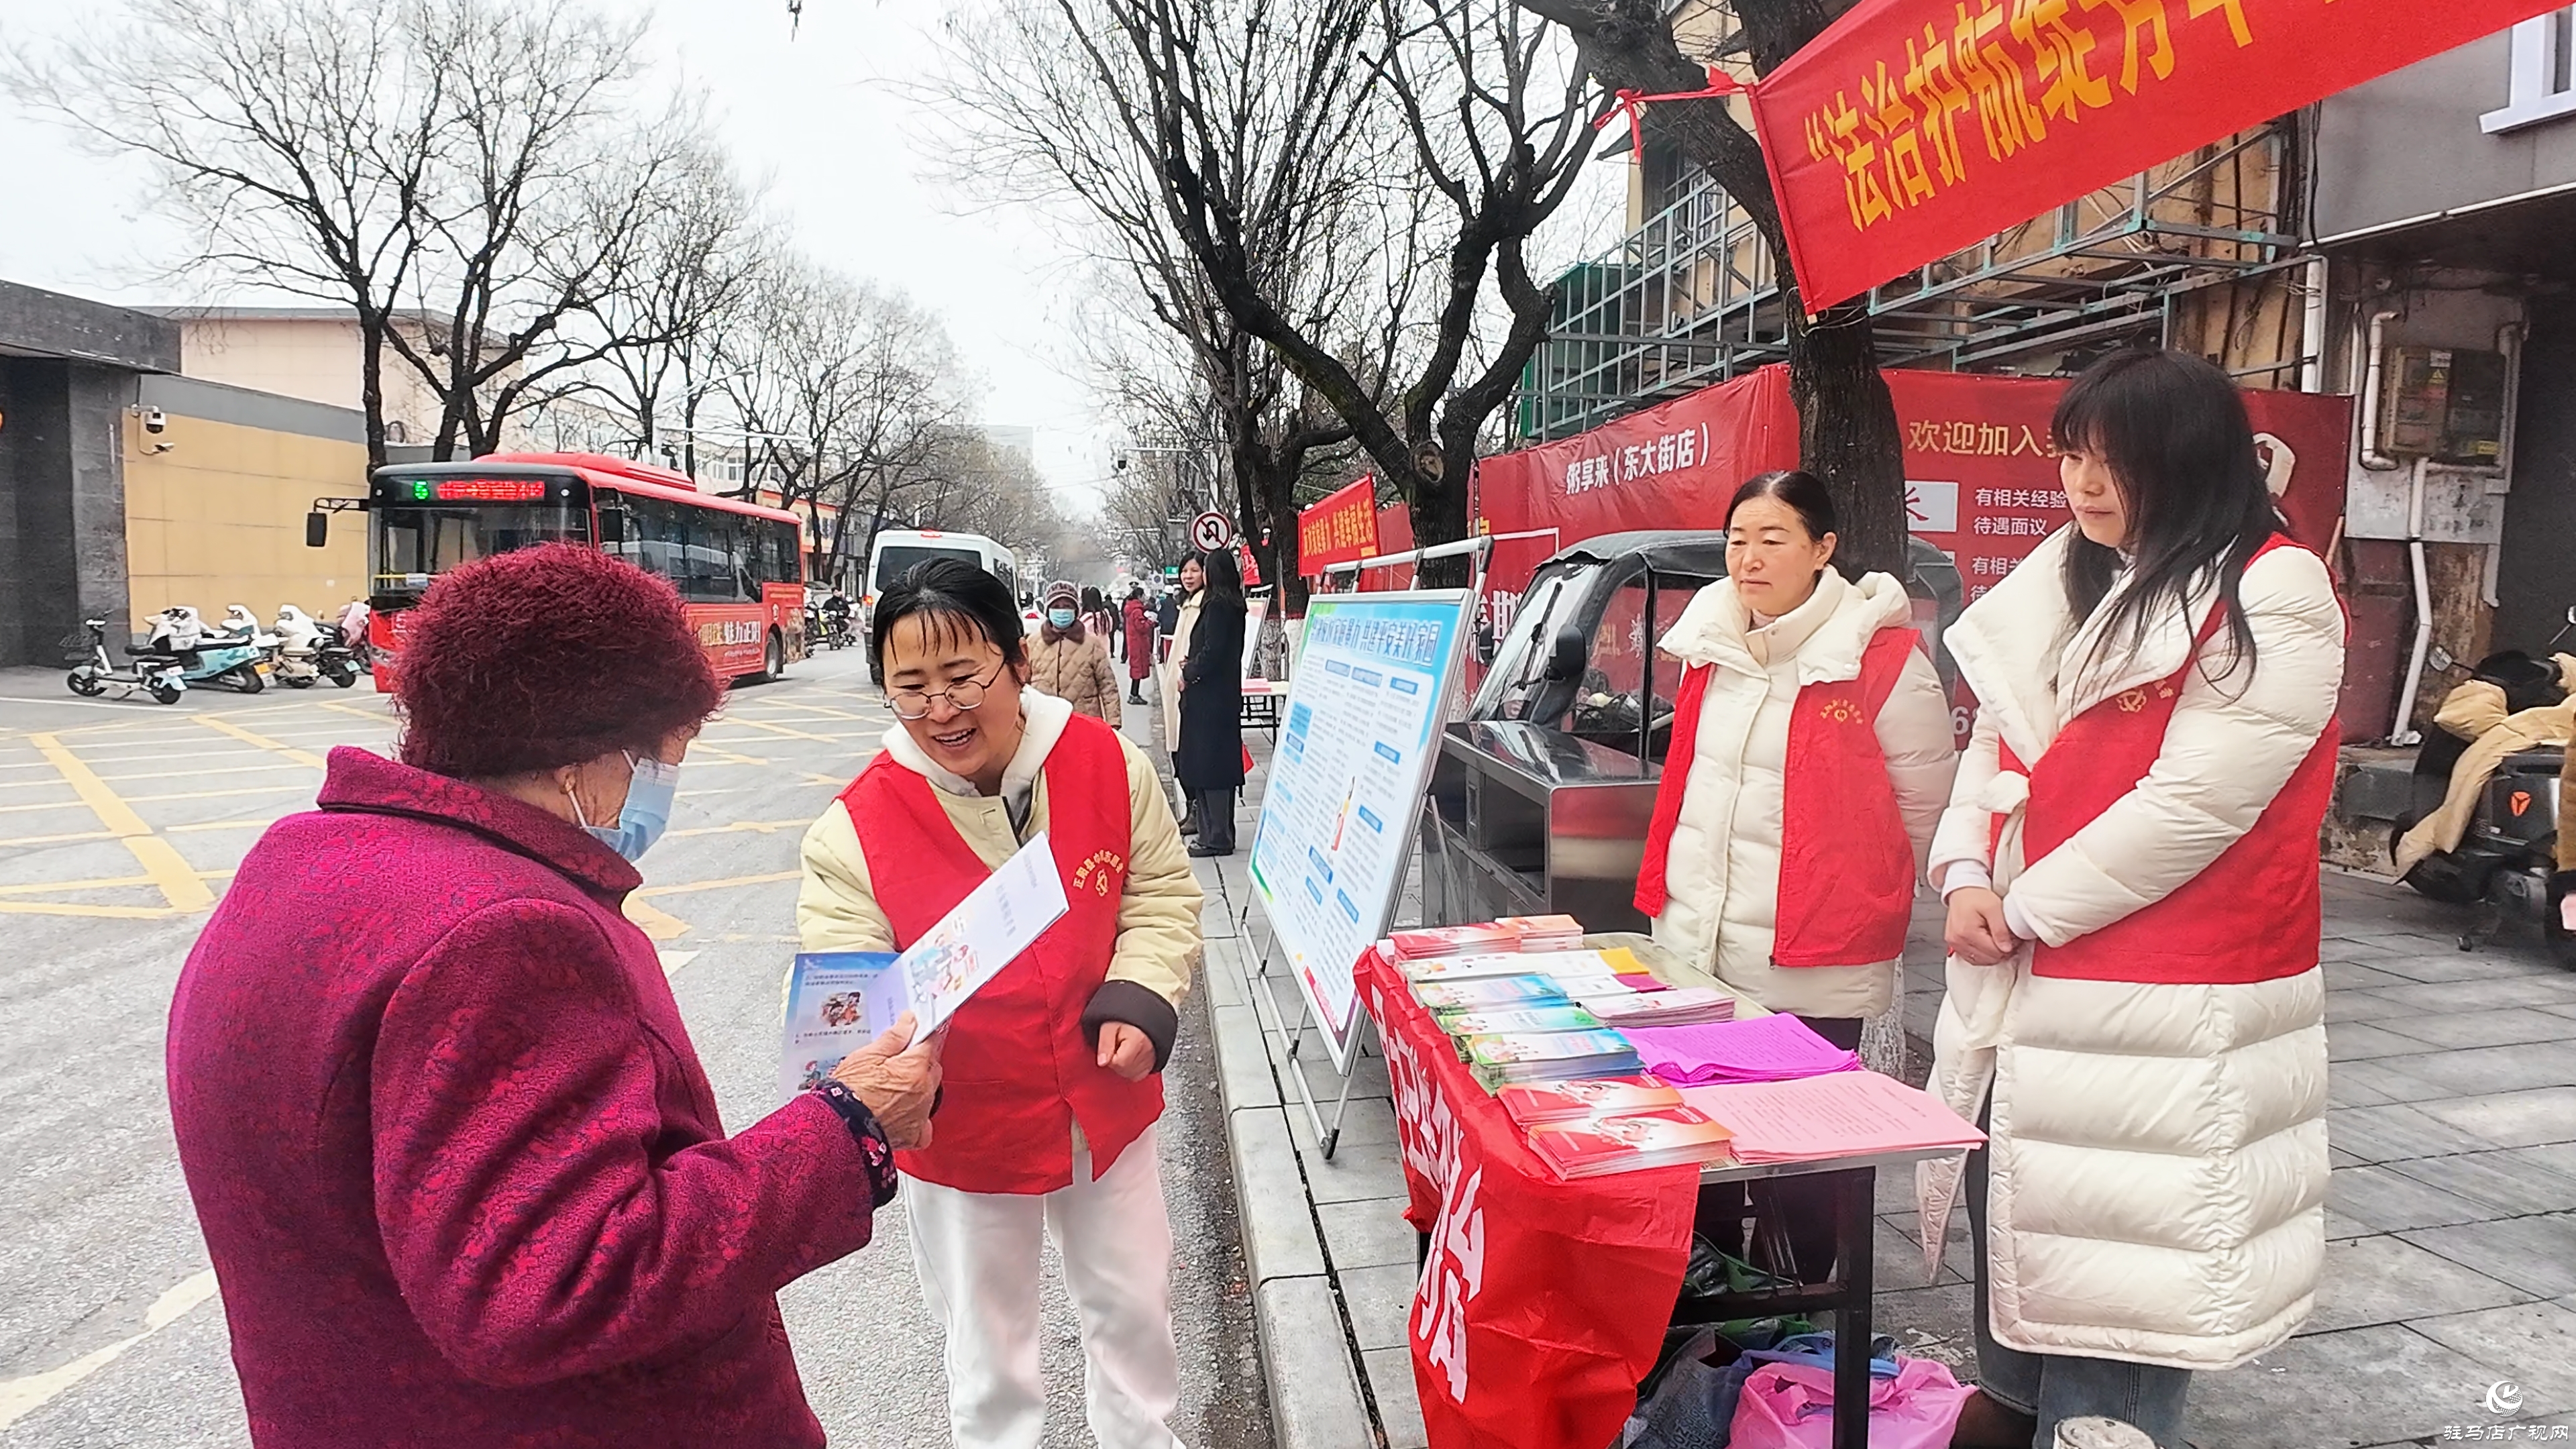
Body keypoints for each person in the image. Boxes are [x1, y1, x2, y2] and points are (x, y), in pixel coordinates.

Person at [166, 544, 941, 1448]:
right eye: (667, 752)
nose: (664, 785)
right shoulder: (507, 935)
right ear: (583, 760)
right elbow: (555, 1283)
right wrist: (844, 1131)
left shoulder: (305, 866)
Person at [1923, 349, 2345, 1449]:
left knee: (2117, 1346)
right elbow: (1995, 748)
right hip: (2033, 997)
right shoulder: (2076, 574)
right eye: (2072, 454)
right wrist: (1966, 871)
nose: (2084, 482)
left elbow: (2192, 808)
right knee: (2024, 1295)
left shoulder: (2274, 588)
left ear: (2191, 457)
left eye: (2115, 459)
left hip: (2161, 1015)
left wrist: (2016, 906)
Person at [798, 557, 1201, 1449]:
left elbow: (1162, 897)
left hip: (1106, 1104)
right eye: (911, 687)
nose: (941, 710)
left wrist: (1142, 994)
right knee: (991, 1362)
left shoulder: (1106, 764)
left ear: (1016, 661)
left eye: (961, 677)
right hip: (964, 1133)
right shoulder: (853, 829)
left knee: (1136, 1316)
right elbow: (844, 1000)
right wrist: (884, 1061)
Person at [1632, 468, 1956, 1281]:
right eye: (1737, 539)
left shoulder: (1882, 660)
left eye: (1773, 538)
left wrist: (1941, 907)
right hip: (1697, 944)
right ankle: (1714, 1315)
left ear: (1824, 549)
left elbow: (1930, 806)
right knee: (1706, 1146)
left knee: (1805, 1164)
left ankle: (1806, 1321)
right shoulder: (1708, 641)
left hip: (1813, 955)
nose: (1749, 558)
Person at [1169, 548, 1247, 857]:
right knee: (1215, 766)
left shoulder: (1217, 606)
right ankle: (1216, 832)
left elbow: (1213, 652)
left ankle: (1215, 837)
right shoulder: (1234, 605)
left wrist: (1189, 670)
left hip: (1209, 702)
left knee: (1209, 766)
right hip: (1222, 698)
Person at [1030, 578, 1124, 727]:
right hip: (1043, 727)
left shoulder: (1092, 645)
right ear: (1048, 610)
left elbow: (1108, 685)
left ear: (1075, 610)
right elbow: (1019, 687)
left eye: (1067, 606)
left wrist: (1113, 722)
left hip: (1084, 724)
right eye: (1056, 606)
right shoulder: (1032, 644)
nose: (1062, 611)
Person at [1123, 586, 1155, 704]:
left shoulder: (1132, 609)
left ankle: (1134, 693)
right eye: (1144, 596)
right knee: (1137, 668)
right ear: (1139, 597)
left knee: (1136, 667)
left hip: (1135, 642)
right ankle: (1134, 695)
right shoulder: (1137, 611)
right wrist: (1150, 622)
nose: (1145, 598)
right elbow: (1141, 627)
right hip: (1138, 644)